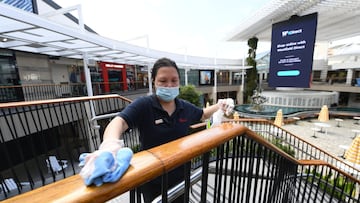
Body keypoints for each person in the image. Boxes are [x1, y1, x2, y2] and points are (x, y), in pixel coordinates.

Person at [82, 57, 234, 202]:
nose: (169, 85)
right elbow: (119, 122)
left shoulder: (184, 107)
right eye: (163, 80)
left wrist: (221, 105)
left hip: (181, 175)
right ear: (153, 81)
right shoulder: (144, 105)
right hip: (152, 179)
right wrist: (109, 145)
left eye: (174, 81)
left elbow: (202, 114)